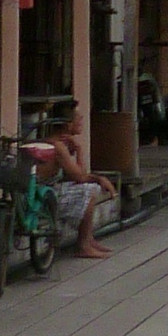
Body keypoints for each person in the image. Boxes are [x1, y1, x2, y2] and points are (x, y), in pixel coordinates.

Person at [41, 110, 113, 258]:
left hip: (47, 192)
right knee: (90, 190)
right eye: (78, 120)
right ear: (68, 125)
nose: (81, 123)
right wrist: (79, 151)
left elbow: (74, 175)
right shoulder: (58, 146)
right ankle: (83, 245)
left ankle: (89, 239)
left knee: (88, 187)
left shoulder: (54, 143)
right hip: (45, 199)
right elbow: (80, 177)